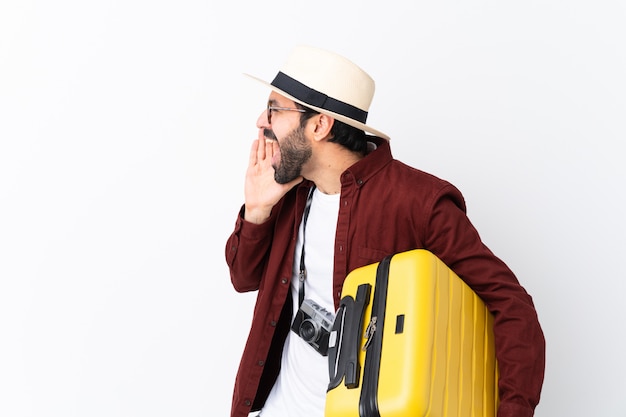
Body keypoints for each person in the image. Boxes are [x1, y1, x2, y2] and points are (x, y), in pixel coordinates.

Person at [224, 45, 545, 417]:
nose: (261, 122)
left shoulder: (419, 203)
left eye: (274, 109)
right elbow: (243, 277)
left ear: (319, 125)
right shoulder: (290, 192)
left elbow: (512, 304)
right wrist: (257, 210)